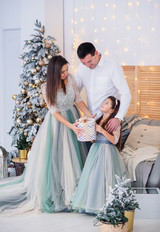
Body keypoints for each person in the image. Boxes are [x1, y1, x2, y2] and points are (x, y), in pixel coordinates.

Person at [0, 55, 93, 216]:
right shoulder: (46, 87)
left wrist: (90, 116)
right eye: (62, 72)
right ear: (55, 72)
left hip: (72, 115)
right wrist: (71, 126)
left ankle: (74, 193)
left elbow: (78, 100)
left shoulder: (70, 79)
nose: (65, 74)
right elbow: (54, 112)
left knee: (74, 157)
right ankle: (59, 193)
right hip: (57, 124)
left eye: (66, 70)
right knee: (57, 158)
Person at [71, 96, 125, 214]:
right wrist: (87, 130)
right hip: (96, 149)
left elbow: (114, 140)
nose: (102, 104)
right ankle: (91, 204)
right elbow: (93, 140)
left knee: (105, 177)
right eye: (103, 102)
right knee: (92, 177)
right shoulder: (97, 120)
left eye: (106, 103)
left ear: (112, 110)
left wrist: (101, 130)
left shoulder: (114, 122)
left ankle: (105, 205)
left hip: (107, 151)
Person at [75, 42, 131, 133]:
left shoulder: (112, 66)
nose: (87, 65)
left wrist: (118, 117)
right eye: (84, 62)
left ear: (96, 53)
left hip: (108, 120)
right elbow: (75, 91)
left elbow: (125, 93)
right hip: (90, 120)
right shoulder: (82, 68)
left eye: (89, 61)